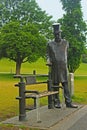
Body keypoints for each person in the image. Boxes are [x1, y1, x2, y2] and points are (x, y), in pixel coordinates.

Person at [46, 23, 78, 108]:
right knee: (55, 85)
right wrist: (48, 60)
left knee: (66, 85)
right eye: (56, 34)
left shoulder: (65, 43)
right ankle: (57, 102)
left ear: (60, 33)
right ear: (54, 34)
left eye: (58, 34)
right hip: (55, 68)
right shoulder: (50, 44)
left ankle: (68, 102)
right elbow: (47, 55)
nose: (57, 35)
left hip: (63, 68)